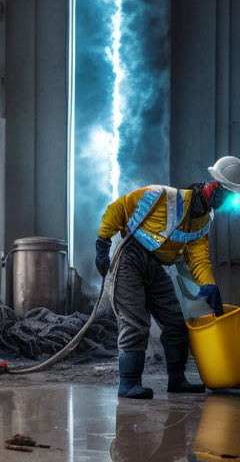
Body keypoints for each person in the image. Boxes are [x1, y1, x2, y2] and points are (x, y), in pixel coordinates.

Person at [96, 156, 240, 399]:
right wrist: (102, 243)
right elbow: (117, 209)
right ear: (215, 186)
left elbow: (198, 257)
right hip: (130, 258)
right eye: (230, 196)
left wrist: (209, 285)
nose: (228, 203)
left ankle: (177, 380)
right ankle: (129, 384)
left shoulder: (204, 221)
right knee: (135, 322)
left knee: (175, 322)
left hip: (156, 265)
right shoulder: (160, 196)